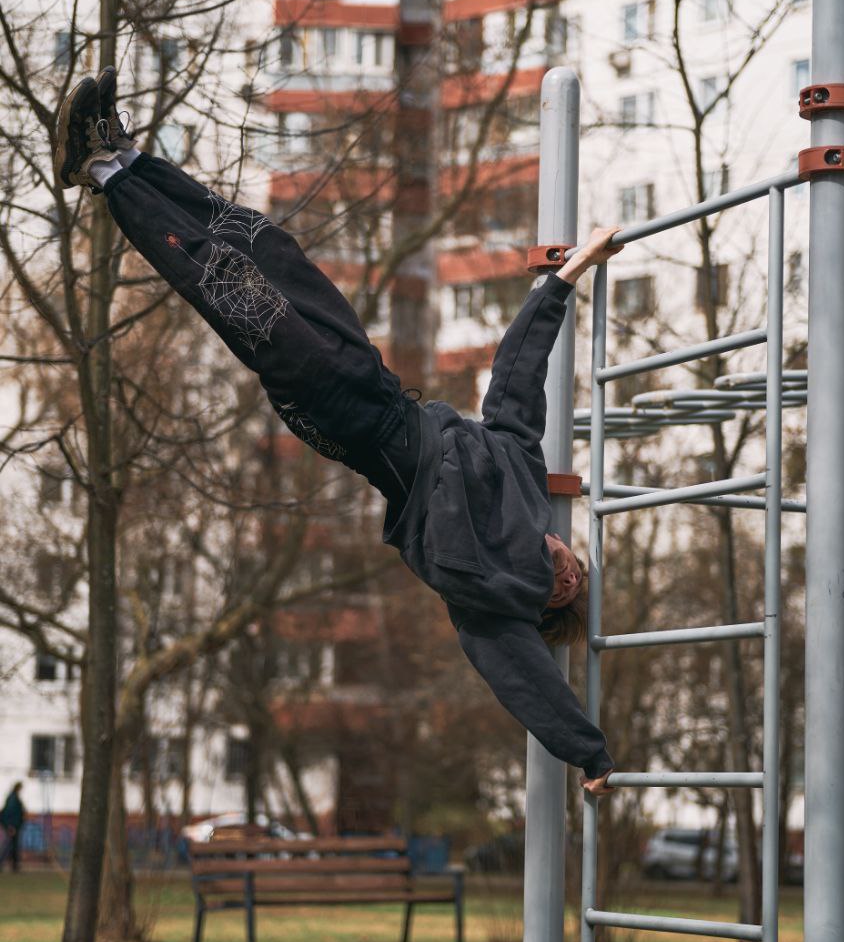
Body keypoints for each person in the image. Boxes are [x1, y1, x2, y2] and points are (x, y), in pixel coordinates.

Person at [54, 70, 623, 797]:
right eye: (578, 568)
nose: (570, 570)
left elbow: (527, 684)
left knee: (228, 287)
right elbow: (515, 377)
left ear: (548, 602)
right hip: (375, 383)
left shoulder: (492, 602)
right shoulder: (522, 472)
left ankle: (101, 175)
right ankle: (127, 157)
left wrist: (591, 755)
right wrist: (565, 280)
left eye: (568, 589)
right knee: (270, 250)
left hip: (346, 418)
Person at [0, 782, 26, 872]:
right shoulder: (13, 798)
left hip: (14, 825)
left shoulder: (13, 797)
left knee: (12, 845)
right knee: (9, 845)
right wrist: (11, 826)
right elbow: (10, 813)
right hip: (12, 826)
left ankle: (15, 865)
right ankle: (10, 865)